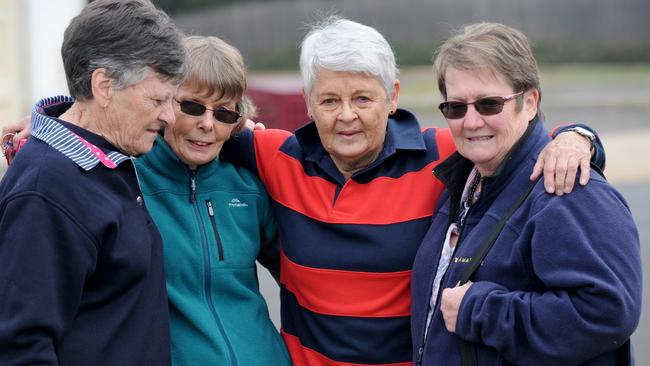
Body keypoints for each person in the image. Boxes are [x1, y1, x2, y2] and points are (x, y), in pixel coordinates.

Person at [220, 16, 604, 366]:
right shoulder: (277, 156)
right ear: (308, 103)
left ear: (393, 97)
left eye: (363, 98)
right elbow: (199, 130)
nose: (346, 115)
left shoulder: (441, 154)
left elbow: (517, 137)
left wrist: (578, 137)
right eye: (329, 100)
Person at [410, 22, 641, 366]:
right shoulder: (463, 182)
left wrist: (480, 310)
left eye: (489, 104)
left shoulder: (568, 187)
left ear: (530, 102)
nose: (471, 122)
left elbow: (608, 313)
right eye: (456, 107)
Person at [0, 0, 187, 364]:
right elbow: (19, 347)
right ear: (104, 86)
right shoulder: (46, 190)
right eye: (159, 100)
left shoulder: (102, 154)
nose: (169, 116)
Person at [134, 35, 291, 365]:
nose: (207, 124)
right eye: (191, 107)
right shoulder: (128, 181)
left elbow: (304, 277)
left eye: (223, 113)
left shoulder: (249, 186)